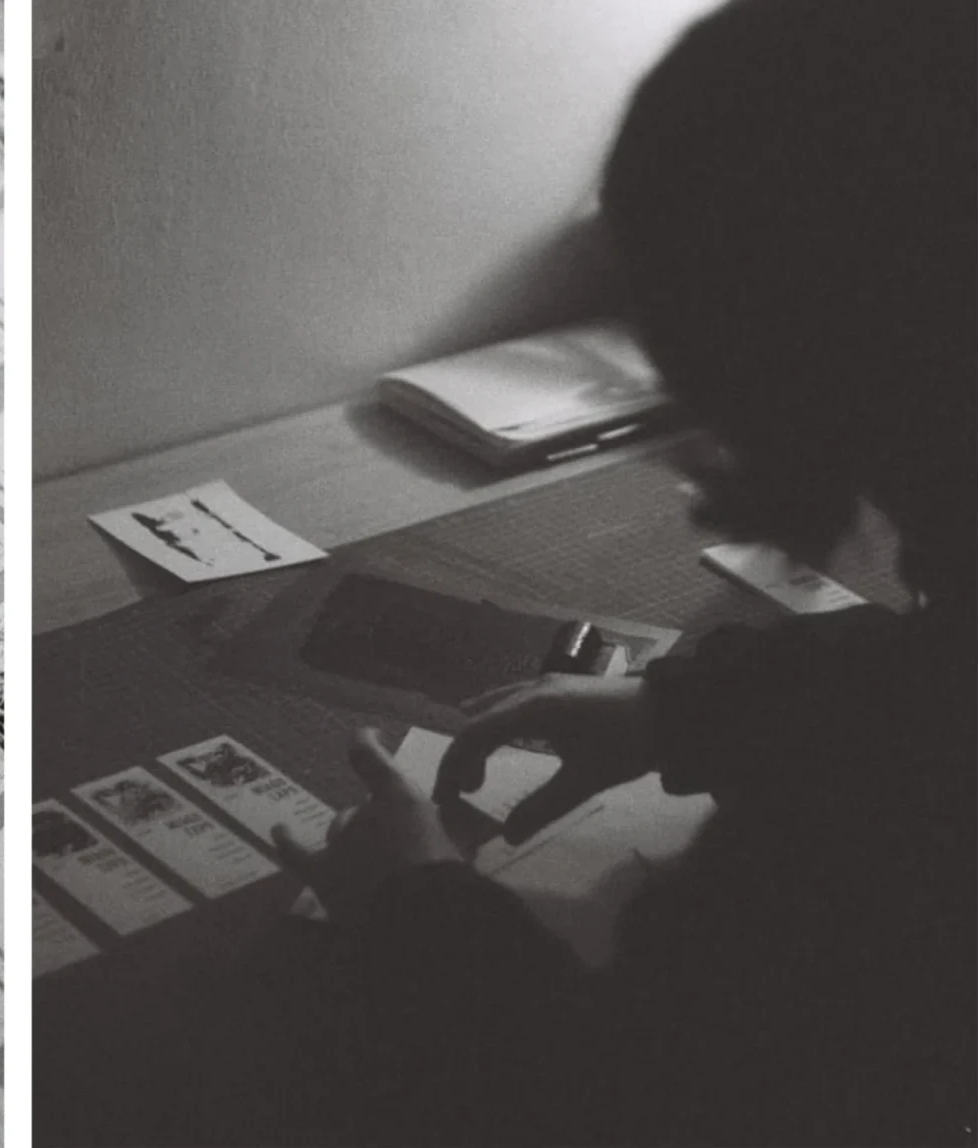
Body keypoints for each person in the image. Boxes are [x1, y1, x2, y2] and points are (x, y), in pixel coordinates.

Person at [275, 1, 975, 1144]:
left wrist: (415, 907)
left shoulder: (890, 838)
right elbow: (938, 682)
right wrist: (689, 707)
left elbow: (628, 1094)